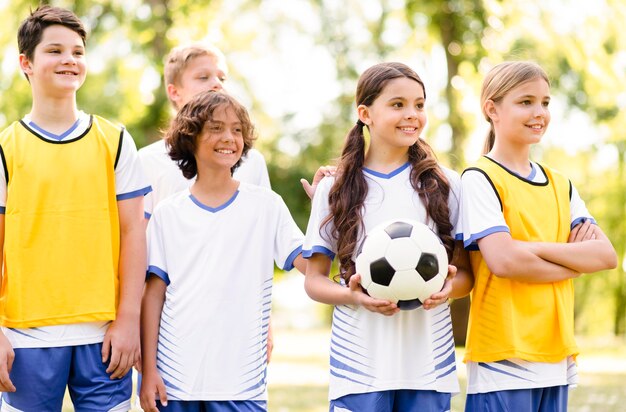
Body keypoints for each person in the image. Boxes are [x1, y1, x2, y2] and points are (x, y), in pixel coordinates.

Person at [0, 5, 150, 411]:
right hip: (25, 338)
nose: (69, 59)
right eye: (55, 51)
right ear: (25, 63)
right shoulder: (5, 148)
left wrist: (128, 320)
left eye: (78, 52)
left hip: (103, 338)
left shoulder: (115, 140)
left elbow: (135, 232)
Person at [303, 62, 473, 412]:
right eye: (398, 105)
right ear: (365, 113)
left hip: (429, 365)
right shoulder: (334, 188)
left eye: (419, 105)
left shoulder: (448, 185)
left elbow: (467, 275)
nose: (412, 114)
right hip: (359, 366)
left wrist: (446, 290)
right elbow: (313, 280)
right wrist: (355, 297)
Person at [460, 60, 618, 412]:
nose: (539, 112)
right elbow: (504, 261)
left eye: (545, 102)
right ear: (492, 109)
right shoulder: (479, 178)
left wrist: (532, 249)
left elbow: (606, 256)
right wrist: (571, 260)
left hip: (556, 354)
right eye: (526, 101)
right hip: (503, 355)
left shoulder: (560, 184)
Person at [139, 90, 307, 412]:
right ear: (191, 137)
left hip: (241, 383)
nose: (228, 137)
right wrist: (149, 372)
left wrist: (330, 204)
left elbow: (309, 263)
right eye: (215, 128)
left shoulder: (266, 205)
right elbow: (153, 295)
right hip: (175, 381)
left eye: (237, 129)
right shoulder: (167, 213)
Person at [139, 43, 271, 221]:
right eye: (203, 77)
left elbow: (267, 226)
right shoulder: (147, 160)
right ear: (174, 92)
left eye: (222, 79)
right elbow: (141, 234)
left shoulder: (252, 161)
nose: (217, 84)